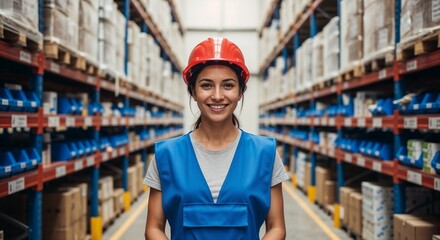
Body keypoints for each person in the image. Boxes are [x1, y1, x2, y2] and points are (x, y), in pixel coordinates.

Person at [144, 37, 289, 240]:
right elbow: (154, 228)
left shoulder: (265, 153)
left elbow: (276, 227)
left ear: (240, 92)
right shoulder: (166, 156)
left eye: (228, 85)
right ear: (193, 91)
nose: (218, 96)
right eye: (207, 85)